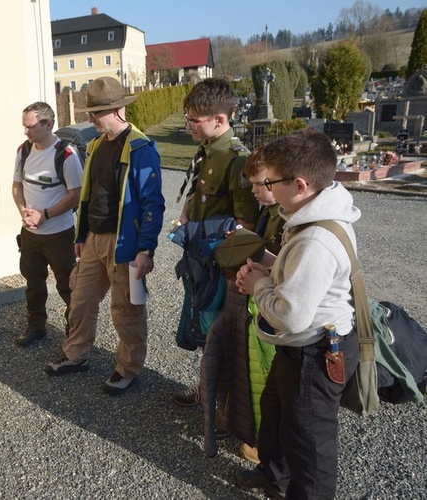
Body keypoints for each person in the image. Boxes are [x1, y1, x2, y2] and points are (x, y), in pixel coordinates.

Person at [234, 128, 360, 499]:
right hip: (302, 346)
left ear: (301, 184)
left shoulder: (314, 240)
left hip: (317, 351)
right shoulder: (313, 212)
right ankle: (275, 476)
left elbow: (291, 316)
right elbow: (302, 282)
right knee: (276, 415)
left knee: (310, 445)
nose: (267, 189)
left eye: (271, 181)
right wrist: (269, 271)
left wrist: (258, 286)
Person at [43, 77, 165, 396]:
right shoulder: (96, 145)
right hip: (95, 239)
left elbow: (153, 203)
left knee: (127, 309)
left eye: (96, 113)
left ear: (118, 109)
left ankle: (128, 368)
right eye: (91, 112)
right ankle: (76, 356)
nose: (90, 119)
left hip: (125, 244)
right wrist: (82, 233)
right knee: (80, 301)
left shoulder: (141, 148)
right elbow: (89, 194)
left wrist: (146, 249)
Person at [173, 77, 260, 406]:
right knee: (206, 330)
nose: (188, 126)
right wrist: (185, 218)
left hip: (222, 267)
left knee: (222, 335)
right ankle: (207, 389)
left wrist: (211, 248)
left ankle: (222, 409)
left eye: (194, 120)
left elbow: (245, 225)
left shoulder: (238, 159)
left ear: (220, 120)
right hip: (201, 261)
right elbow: (197, 192)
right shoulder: (207, 151)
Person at [12, 102, 83, 346]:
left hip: (59, 234)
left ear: (48, 124)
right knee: (33, 283)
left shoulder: (66, 155)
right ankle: (36, 327)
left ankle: (74, 332)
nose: (25, 131)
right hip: (30, 233)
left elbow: (76, 194)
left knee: (67, 286)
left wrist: (44, 215)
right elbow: (17, 186)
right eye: (24, 126)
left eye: (30, 126)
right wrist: (24, 212)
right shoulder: (23, 151)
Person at [237, 148, 287, 465]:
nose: (254, 191)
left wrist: (258, 258)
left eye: (259, 184)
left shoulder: (290, 218)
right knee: (261, 379)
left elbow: (287, 269)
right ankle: (263, 442)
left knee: (272, 382)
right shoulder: (270, 211)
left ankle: (270, 451)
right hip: (264, 301)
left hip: (278, 313)